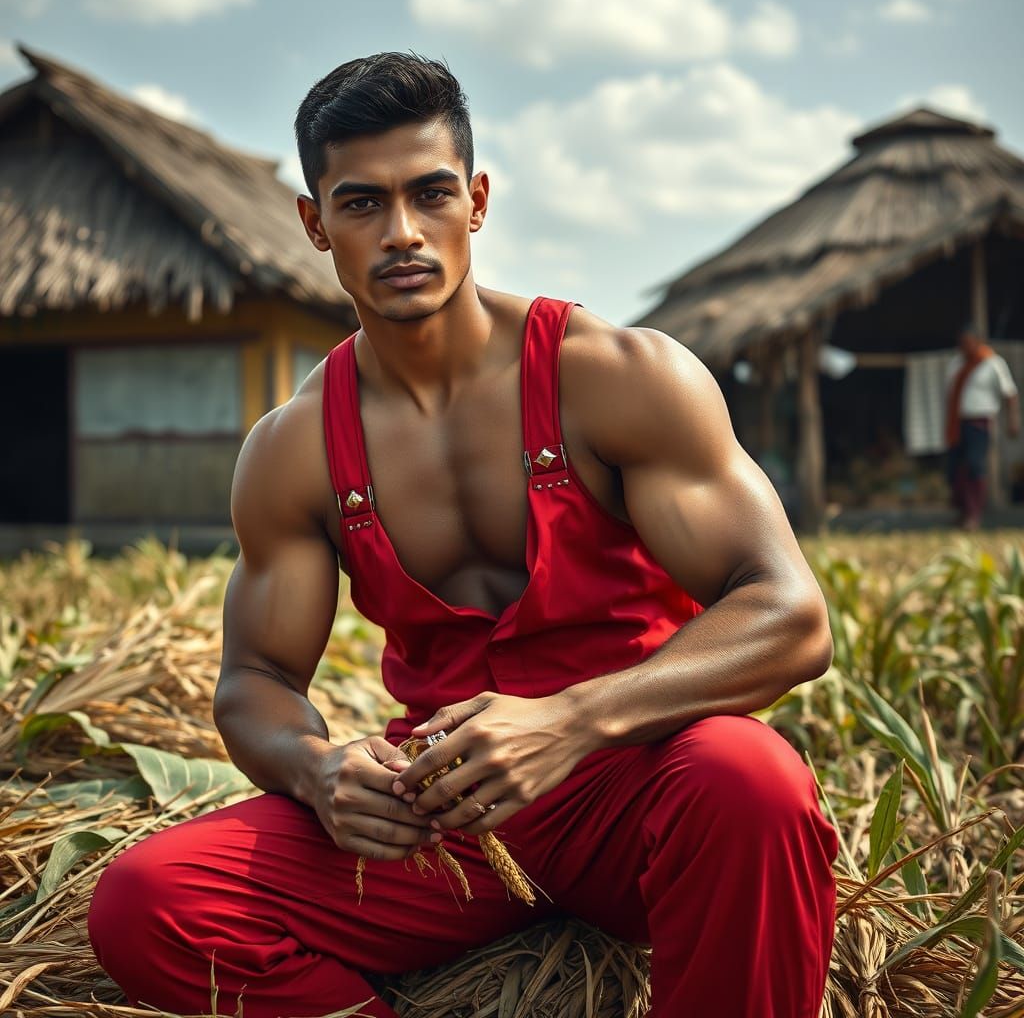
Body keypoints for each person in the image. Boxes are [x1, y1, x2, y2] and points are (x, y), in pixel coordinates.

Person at [87, 53, 840, 1018]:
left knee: (755, 782)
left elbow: (790, 615)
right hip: (444, 814)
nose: (402, 232)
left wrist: (572, 722)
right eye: (362, 204)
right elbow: (256, 680)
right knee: (150, 903)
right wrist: (318, 769)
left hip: (640, 783)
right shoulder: (294, 449)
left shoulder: (615, 376)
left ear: (475, 202)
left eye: (430, 194)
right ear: (315, 224)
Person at [944, 324, 1021, 530]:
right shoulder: (956, 363)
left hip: (979, 423)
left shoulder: (992, 363)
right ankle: (962, 511)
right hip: (957, 423)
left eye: (968, 343)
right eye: (961, 343)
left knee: (974, 465)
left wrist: (1013, 420)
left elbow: (1010, 393)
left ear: (978, 342)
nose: (964, 347)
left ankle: (974, 514)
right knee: (956, 469)